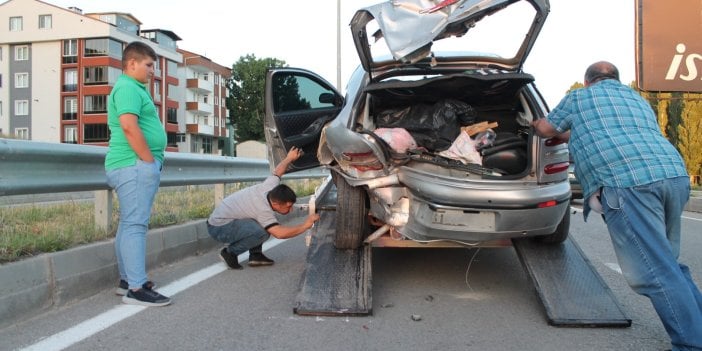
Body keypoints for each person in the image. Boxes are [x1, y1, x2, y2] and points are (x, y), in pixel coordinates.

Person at [532, 61, 702, 350]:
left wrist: (533, 123)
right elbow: (605, 131)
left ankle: (691, 344)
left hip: (630, 183)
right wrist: (568, 135)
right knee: (669, 265)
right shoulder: (635, 99)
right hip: (673, 176)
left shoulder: (579, 97)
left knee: (654, 272)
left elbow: (547, 129)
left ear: (587, 82)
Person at [105, 41, 171, 307]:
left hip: (130, 165)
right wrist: (148, 161)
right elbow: (129, 127)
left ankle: (127, 280)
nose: (152, 71)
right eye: (148, 65)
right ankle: (136, 287)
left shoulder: (132, 88)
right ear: (132, 63)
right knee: (135, 225)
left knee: (128, 223)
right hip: (133, 165)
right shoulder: (128, 88)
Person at [207, 146, 320, 269]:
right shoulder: (262, 209)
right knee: (262, 232)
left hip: (223, 219)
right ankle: (229, 253)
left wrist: (289, 158)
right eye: (288, 206)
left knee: (259, 225)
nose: (291, 209)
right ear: (276, 204)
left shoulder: (270, 187)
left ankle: (256, 256)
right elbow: (279, 233)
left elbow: (278, 172)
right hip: (219, 228)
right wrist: (305, 225)